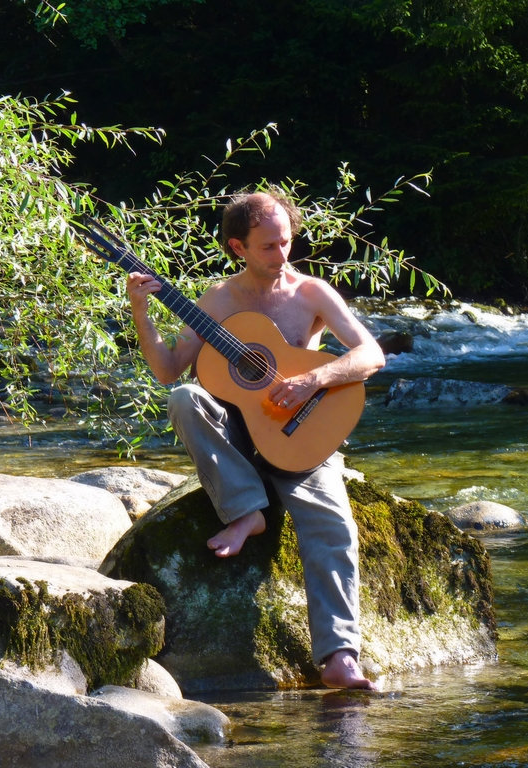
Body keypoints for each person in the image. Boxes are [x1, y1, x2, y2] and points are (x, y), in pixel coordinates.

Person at [125, 187, 385, 690]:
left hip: (300, 437)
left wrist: (313, 379)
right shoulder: (218, 301)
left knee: (332, 526)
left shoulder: (311, 293)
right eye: (268, 246)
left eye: (286, 242)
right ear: (236, 247)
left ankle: (339, 657)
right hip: (238, 438)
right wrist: (141, 311)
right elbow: (166, 370)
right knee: (184, 399)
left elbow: (371, 354)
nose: (281, 254)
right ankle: (247, 512)